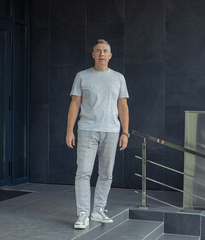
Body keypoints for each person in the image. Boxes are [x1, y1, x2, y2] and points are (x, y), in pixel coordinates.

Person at [66, 39, 129, 229]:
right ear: (93, 55)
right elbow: (74, 104)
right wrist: (69, 130)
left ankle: (98, 210)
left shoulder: (118, 78)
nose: (102, 54)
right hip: (87, 129)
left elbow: (123, 106)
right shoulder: (82, 76)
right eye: (98, 51)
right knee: (83, 172)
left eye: (105, 51)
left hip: (111, 130)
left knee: (106, 174)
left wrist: (125, 132)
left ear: (110, 56)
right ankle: (83, 214)